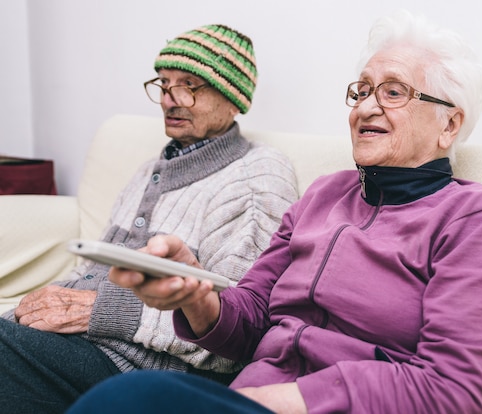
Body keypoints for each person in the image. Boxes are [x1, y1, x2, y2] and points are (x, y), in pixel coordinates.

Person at [68, 10, 482, 414]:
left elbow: (457, 392)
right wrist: (196, 293)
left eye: (393, 92)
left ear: (449, 123)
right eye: (362, 90)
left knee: (129, 398)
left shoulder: (476, 219)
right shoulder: (324, 196)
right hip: (253, 397)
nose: (365, 106)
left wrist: (283, 400)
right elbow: (248, 323)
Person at [0, 24, 298, 413]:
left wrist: (99, 311)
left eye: (190, 85)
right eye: (163, 83)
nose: (170, 99)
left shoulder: (258, 177)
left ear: (234, 99)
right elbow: (89, 276)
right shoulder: (149, 170)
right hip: (83, 351)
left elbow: (239, 336)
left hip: (137, 371)